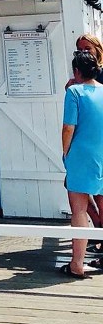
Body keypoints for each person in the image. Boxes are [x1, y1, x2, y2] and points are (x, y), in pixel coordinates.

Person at [60, 49, 103, 278]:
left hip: (80, 155)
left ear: (77, 71)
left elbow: (69, 127)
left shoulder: (74, 92)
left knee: (79, 211)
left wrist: (65, 153)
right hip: (102, 154)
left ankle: (77, 263)